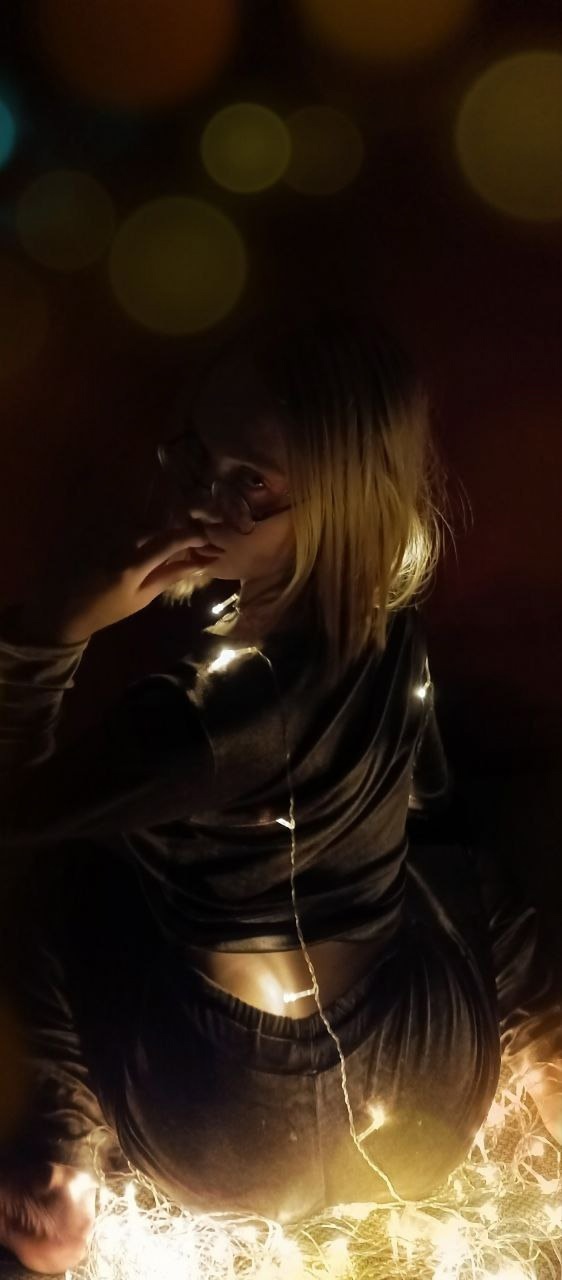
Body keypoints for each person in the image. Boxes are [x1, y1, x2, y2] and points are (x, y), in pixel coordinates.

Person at [0, 304, 560, 1274]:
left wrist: (53, 627)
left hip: (224, 1121)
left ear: (336, 501)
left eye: (249, 482)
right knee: (453, 865)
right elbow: (431, 824)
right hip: (428, 1092)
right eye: (194, 453)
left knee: (56, 875)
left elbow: (9, 813)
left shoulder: (201, 722)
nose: (198, 499)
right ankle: (546, 1042)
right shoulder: (389, 628)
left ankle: (59, 1154)